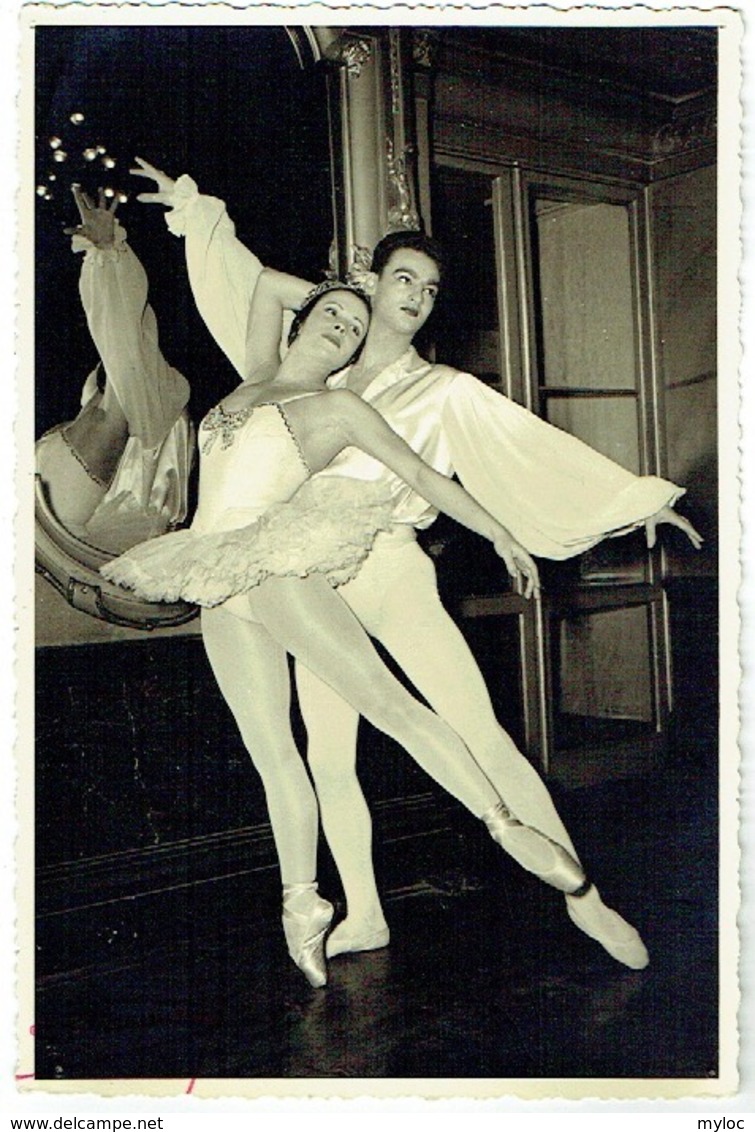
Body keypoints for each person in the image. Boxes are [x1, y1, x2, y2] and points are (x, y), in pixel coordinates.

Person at [127, 159, 701, 975]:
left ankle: (586, 901)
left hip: (387, 566)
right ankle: (363, 912)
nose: (415, 298)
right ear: (367, 283)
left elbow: (523, 448)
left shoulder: (443, 390)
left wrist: (632, 502)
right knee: (327, 756)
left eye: (428, 290)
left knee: (477, 734)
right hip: (303, 572)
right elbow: (252, 286)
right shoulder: (316, 359)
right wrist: (201, 215)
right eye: (402, 279)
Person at [104, 273, 574, 989]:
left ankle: (505, 825)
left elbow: (422, 474)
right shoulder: (255, 373)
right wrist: (351, 285)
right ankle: (302, 903)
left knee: (390, 707)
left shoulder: (338, 407)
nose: (341, 330)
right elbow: (260, 284)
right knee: (272, 753)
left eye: (354, 329)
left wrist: (500, 533)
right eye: (330, 316)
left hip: (276, 568)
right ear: (302, 320)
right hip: (211, 573)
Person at [35, 188, 194, 557]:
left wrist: (109, 253)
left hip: (57, 547)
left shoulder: (142, 403)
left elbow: (117, 324)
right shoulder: (96, 393)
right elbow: (108, 322)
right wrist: (99, 255)